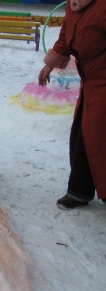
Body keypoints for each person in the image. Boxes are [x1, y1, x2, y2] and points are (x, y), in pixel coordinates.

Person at [37, 0, 106, 210]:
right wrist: (50, 64)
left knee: (98, 133)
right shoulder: (73, 5)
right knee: (85, 132)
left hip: (103, 76)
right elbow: (66, 35)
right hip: (91, 78)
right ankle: (79, 191)